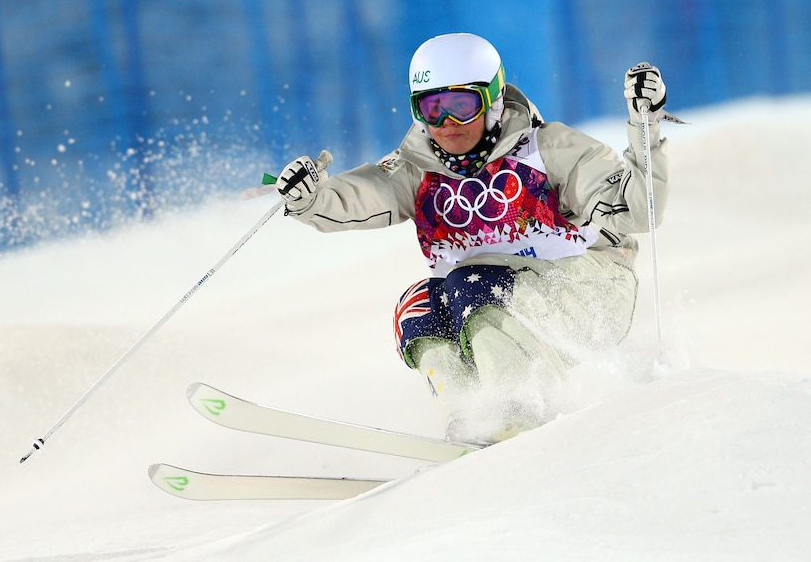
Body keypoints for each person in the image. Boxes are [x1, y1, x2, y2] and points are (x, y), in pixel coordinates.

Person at [275, 33, 671, 443]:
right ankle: (468, 420)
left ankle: (520, 408)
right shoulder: (417, 170)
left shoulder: (547, 148)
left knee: (474, 283)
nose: (447, 124)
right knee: (419, 306)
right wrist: (311, 198)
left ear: (493, 99)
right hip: (501, 299)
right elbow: (362, 195)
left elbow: (639, 209)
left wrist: (646, 129)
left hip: (589, 292)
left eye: (462, 106)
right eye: (432, 108)